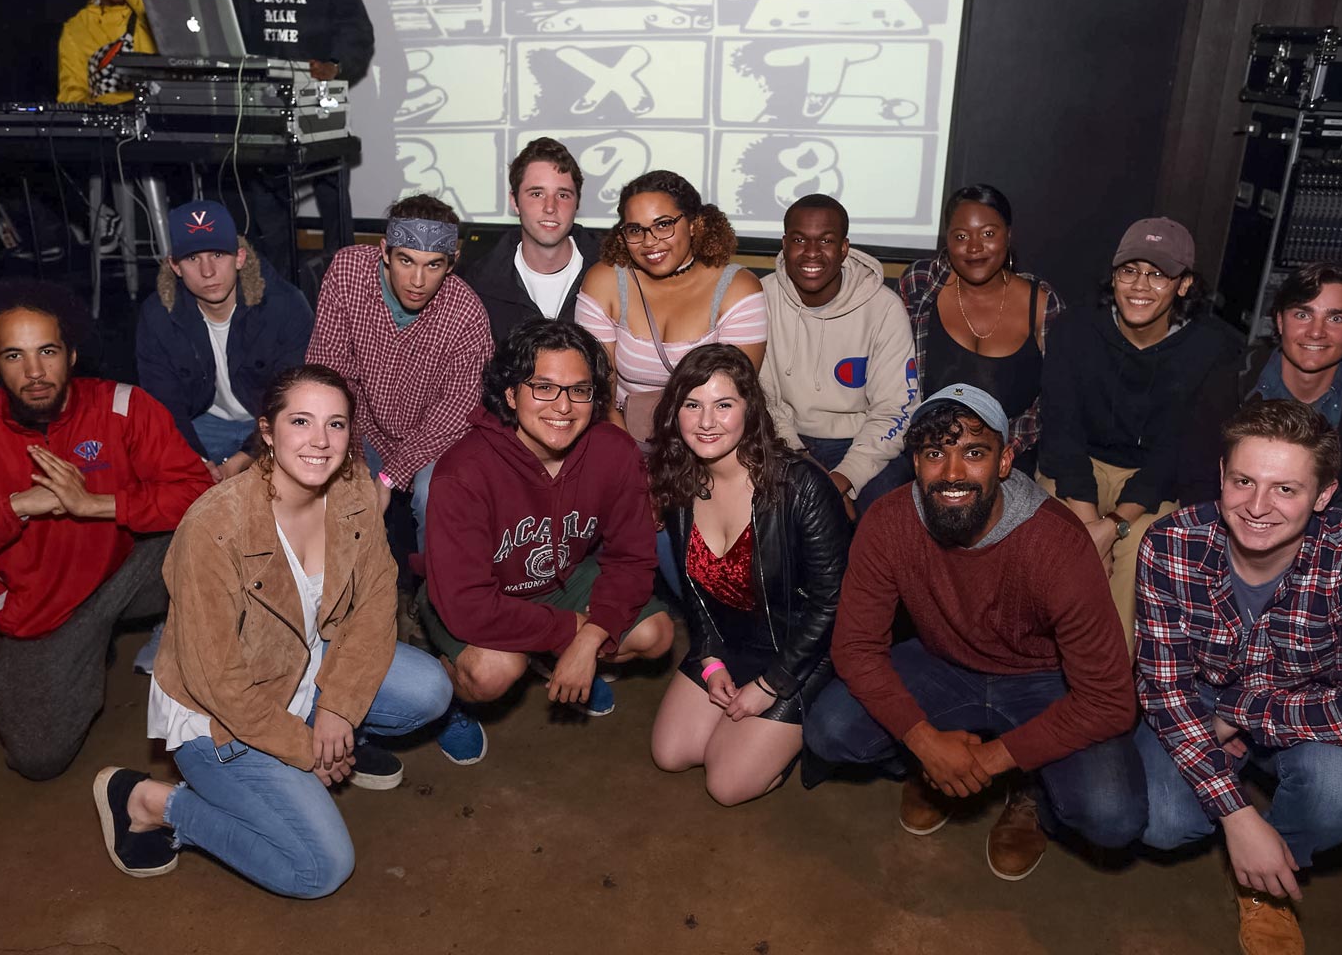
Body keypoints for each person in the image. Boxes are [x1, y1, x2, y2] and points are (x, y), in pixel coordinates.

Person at [92, 364, 453, 894]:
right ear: (267, 431)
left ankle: (340, 741)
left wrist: (337, 710)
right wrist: (307, 748)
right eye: (301, 421)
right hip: (219, 718)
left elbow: (376, 602)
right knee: (318, 870)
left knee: (430, 689)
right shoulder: (215, 527)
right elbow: (217, 682)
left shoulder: (352, 485)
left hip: (301, 668)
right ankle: (153, 803)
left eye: (337, 425)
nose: (321, 442)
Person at [803, 384, 1144, 882]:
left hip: (1045, 681)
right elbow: (855, 647)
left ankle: (1032, 792)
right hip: (945, 663)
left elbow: (1112, 700)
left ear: (1005, 462)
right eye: (935, 453)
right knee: (829, 729)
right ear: (915, 463)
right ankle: (933, 768)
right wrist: (924, 742)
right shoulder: (889, 522)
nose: (953, 473)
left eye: (974, 452)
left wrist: (987, 760)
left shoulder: (1057, 544)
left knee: (1112, 813)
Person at [0, 280, 211, 780]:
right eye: (14, 356)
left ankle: (214, 670)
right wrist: (15, 507)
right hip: (48, 607)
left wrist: (96, 504)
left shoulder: (122, 407)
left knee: (231, 533)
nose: (34, 373)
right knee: (38, 758)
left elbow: (198, 490)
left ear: (71, 354)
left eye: (47, 351)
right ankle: (76, 653)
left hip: (130, 569)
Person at [1135, 398, 1342, 954]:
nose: (1258, 507)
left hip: (1307, 710)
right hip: (1200, 698)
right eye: (1243, 481)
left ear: (1323, 495)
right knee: (1161, 822)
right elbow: (1164, 690)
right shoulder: (1168, 543)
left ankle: (1268, 889)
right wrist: (1237, 815)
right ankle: (1246, 828)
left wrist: (1238, 712)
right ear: (1222, 476)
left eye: (1286, 489)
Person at [418, 320, 675, 764]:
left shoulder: (613, 450)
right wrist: (576, 633)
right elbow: (467, 606)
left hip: (563, 579)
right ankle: (449, 696)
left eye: (579, 390)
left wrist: (592, 636)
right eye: (544, 388)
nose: (563, 406)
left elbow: (632, 560)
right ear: (510, 394)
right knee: (493, 672)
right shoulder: (463, 472)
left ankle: (556, 655)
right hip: (475, 597)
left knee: (656, 634)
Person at [648, 344, 850, 805]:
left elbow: (832, 604)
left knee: (726, 784)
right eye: (692, 405)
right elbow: (694, 594)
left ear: (749, 411)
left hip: (803, 651)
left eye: (724, 405)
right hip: (732, 641)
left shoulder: (801, 487)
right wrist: (710, 659)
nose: (706, 422)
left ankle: (788, 736)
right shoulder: (681, 481)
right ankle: (749, 733)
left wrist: (771, 685)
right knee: (672, 752)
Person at [1038, 217, 1236, 645]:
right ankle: (1035, 674)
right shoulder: (1074, 331)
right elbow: (1062, 432)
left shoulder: (1210, 350)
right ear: (1114, 276)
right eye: (1130, 271)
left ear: (1182, 285)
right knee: (1059, 546)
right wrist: (1090, 525)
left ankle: (1108, 689)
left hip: (1149, 483)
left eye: (1158, 274)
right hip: (1076, 473)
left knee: (1143, 553)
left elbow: (1177, 452)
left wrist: (1112, 527)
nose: (1140, 285)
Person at [305, 194, 493, 563]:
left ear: (452, 264)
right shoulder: (347, 273)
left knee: (435, 496)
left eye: (434, 265)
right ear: (384, 252)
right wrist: (353, 459)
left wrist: (390, 476)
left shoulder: (466, 312)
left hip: (433, 438)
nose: (418, 280)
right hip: (365, 428)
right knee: (328, 486)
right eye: (406, 261)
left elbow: (457, 409)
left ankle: (433, 601)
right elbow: (329, 375)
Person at [1179, 262, 1342, 544]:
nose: (1316, 332)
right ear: (1279, 320)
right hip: (1231, 535)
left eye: (1336, 319)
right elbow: (1198, 482)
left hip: (1329, 551)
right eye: (1302, 314)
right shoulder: (1231, 381)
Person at [576, 170, 767, 451]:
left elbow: (734, 401)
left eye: (663, 225)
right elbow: (598, 390)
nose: (649, 241)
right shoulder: (605, 282)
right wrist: (629, 460)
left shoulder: (738, 289)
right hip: (622, 440)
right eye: (635, 229)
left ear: (694, 224)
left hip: (710, 445)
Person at [759, 194, 917, 522]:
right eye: (800, 240)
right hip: (786, 440)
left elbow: (895, 411)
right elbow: (763, 402)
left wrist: (842, 481)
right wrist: (809, 470)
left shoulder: (883, 307)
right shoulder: (761, 298)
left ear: (844, 248)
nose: (812, 253)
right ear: (784, 244)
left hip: (860, 441)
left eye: (826, 240)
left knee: (882, 514)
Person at [137, 199, 314, 482]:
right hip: (204, 425)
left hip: (271, 424)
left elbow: (293, 400)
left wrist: (240, 460)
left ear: (240, 257)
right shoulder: (157, 316)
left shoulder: (285, 306)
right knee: (156, 475)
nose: (207, 271)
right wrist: (197, 461)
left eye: (218, 255)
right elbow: (163, 406)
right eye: (193, 259)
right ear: (175, 266)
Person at [897, 185, 1062, 475]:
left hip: (1009, 462)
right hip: (929, 456)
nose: (974, 247)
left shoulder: (1041, 303)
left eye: (988, 233)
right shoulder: (921, 285)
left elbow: (1054, 400)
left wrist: (1000, 449)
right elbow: (896, 378)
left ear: (1009, 235)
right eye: (961, 236)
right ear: (946, 240)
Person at [223, 0, 374, 266]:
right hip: (261, 98)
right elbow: (225, 21)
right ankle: (278, 282)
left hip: (319, 95)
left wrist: (336, 65)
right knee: (266, 195)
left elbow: (356, 32)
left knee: (331, 184)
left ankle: (342, 272)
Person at [459, 137, 607, 344]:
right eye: (537, 193)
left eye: (563, 195)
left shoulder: (612, 271)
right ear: (514, 201)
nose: (550, 207)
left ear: (577, 203)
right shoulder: (476, 282)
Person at [57, 0, 154, 104]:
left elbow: (154, 7)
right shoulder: (76, 28)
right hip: (105, 119)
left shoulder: (142, 12)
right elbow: (72, 93)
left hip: (152, 112)